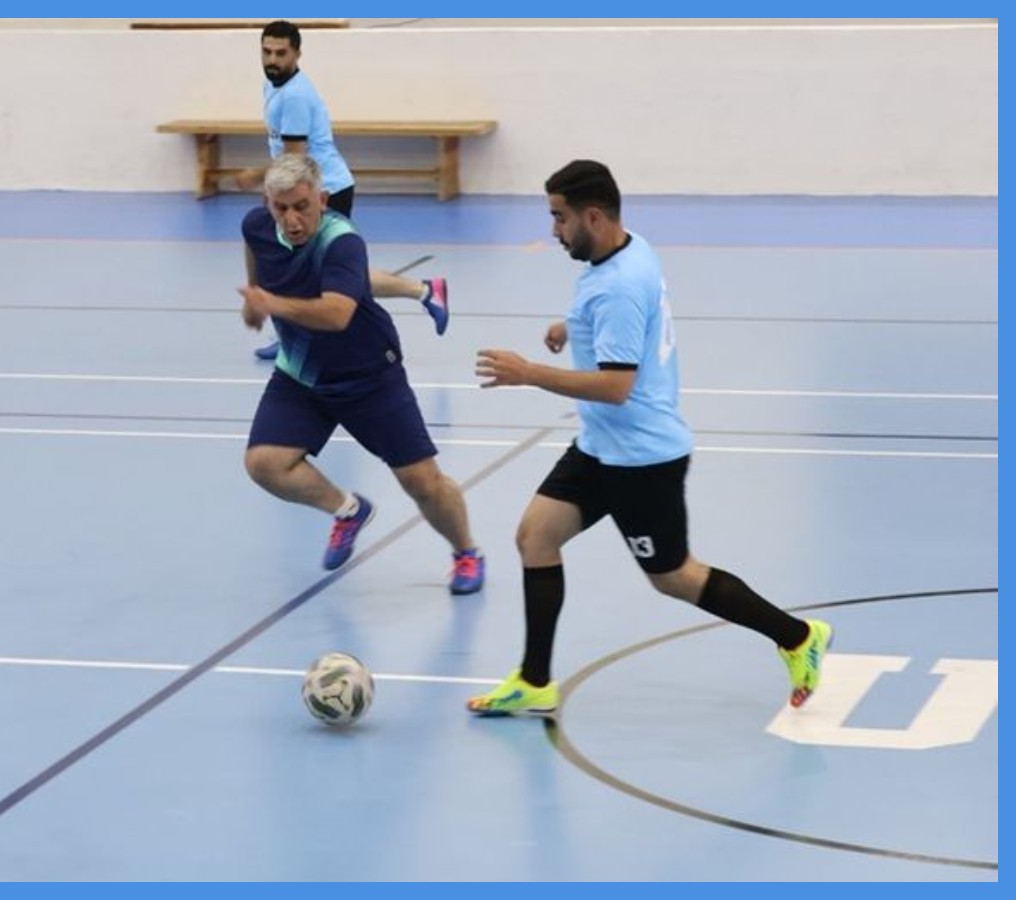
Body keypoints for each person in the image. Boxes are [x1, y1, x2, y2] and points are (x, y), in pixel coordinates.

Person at [466, 160, 831, 716]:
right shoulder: (629, 248)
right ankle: (535, 680)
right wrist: (575, 326)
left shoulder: (619, 287)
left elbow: (616, 386)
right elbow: (619, 319)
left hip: (641, 459)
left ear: (593, 216)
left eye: (560, 218)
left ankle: (798, 637)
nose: (554, 230)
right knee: (535, 536)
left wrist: (529, 372)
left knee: (674, 577)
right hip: (600, 446)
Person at [239, 153, 483, 595]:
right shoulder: (257, 225)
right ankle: (348, 510)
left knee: (422, 482)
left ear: (322, 199)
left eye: (302, 206)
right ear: (267, 204)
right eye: (281, 208)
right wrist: (253, 295)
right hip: (301, 376)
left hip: (369, 375)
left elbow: (336, 314)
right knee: (264, 464)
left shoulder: (342, 242)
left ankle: (466, 552)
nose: (292, 219)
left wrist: (271, 304)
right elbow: (255, 253)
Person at [232, 19, 451, 361]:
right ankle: (424, 291)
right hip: (297, 186)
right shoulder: (273, 85)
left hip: (321, 190)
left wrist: (257, 176)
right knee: (316, 269)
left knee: (328, 272)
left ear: (297, 54)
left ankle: (422, 291)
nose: (272, 59)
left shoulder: (295, 96)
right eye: (267, 52)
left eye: (281, 53)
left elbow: (295, 155)